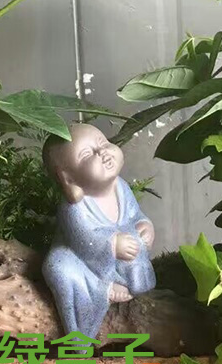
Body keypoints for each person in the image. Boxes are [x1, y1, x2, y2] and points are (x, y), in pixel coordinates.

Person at [42, 123, 156, 338]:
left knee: (134, 239)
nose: (102, 152)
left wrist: (144, 225)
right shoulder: (73, 208)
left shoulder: (121, 187)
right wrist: (112, 244)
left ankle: (129, 283)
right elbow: (83, 241)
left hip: (118, 253)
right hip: (83, 258)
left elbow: (134, 215)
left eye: (103, 143)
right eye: (87, 154)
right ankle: (103, 290)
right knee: (59, 267)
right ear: (68, 177)